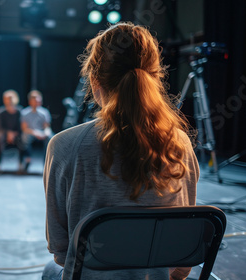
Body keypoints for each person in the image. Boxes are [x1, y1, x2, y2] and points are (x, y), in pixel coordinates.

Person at [42, 22, 199, 280]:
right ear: (156, 78)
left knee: (50, 270)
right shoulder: (180, 142)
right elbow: (182, 258)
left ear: (95, 81)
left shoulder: (64, 145)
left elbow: (60, 250)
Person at [20, 90, 53, 172]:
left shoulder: (44, 112)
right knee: (24, 137)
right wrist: (35, 133)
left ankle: (46, 163)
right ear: (30, 101)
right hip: (30, 132)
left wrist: (46, 132)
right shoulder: (24, 113)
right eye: (35, 101)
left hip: (41, 133)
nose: (37, 103)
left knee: (50, 138)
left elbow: (47, 127)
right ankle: (28, 160)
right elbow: (24, 128)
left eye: (39, 101)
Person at [0, 90, 23, 172]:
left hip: (17, 134)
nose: (8, 101)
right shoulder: (0, 112)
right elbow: (0, 127)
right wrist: (8, 133)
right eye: (6, 99)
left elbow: (21, 126)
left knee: (23, 137)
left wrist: (14, 134)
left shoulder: (20, 111)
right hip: (5, 134)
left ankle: (21, 162)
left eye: (10, 98)